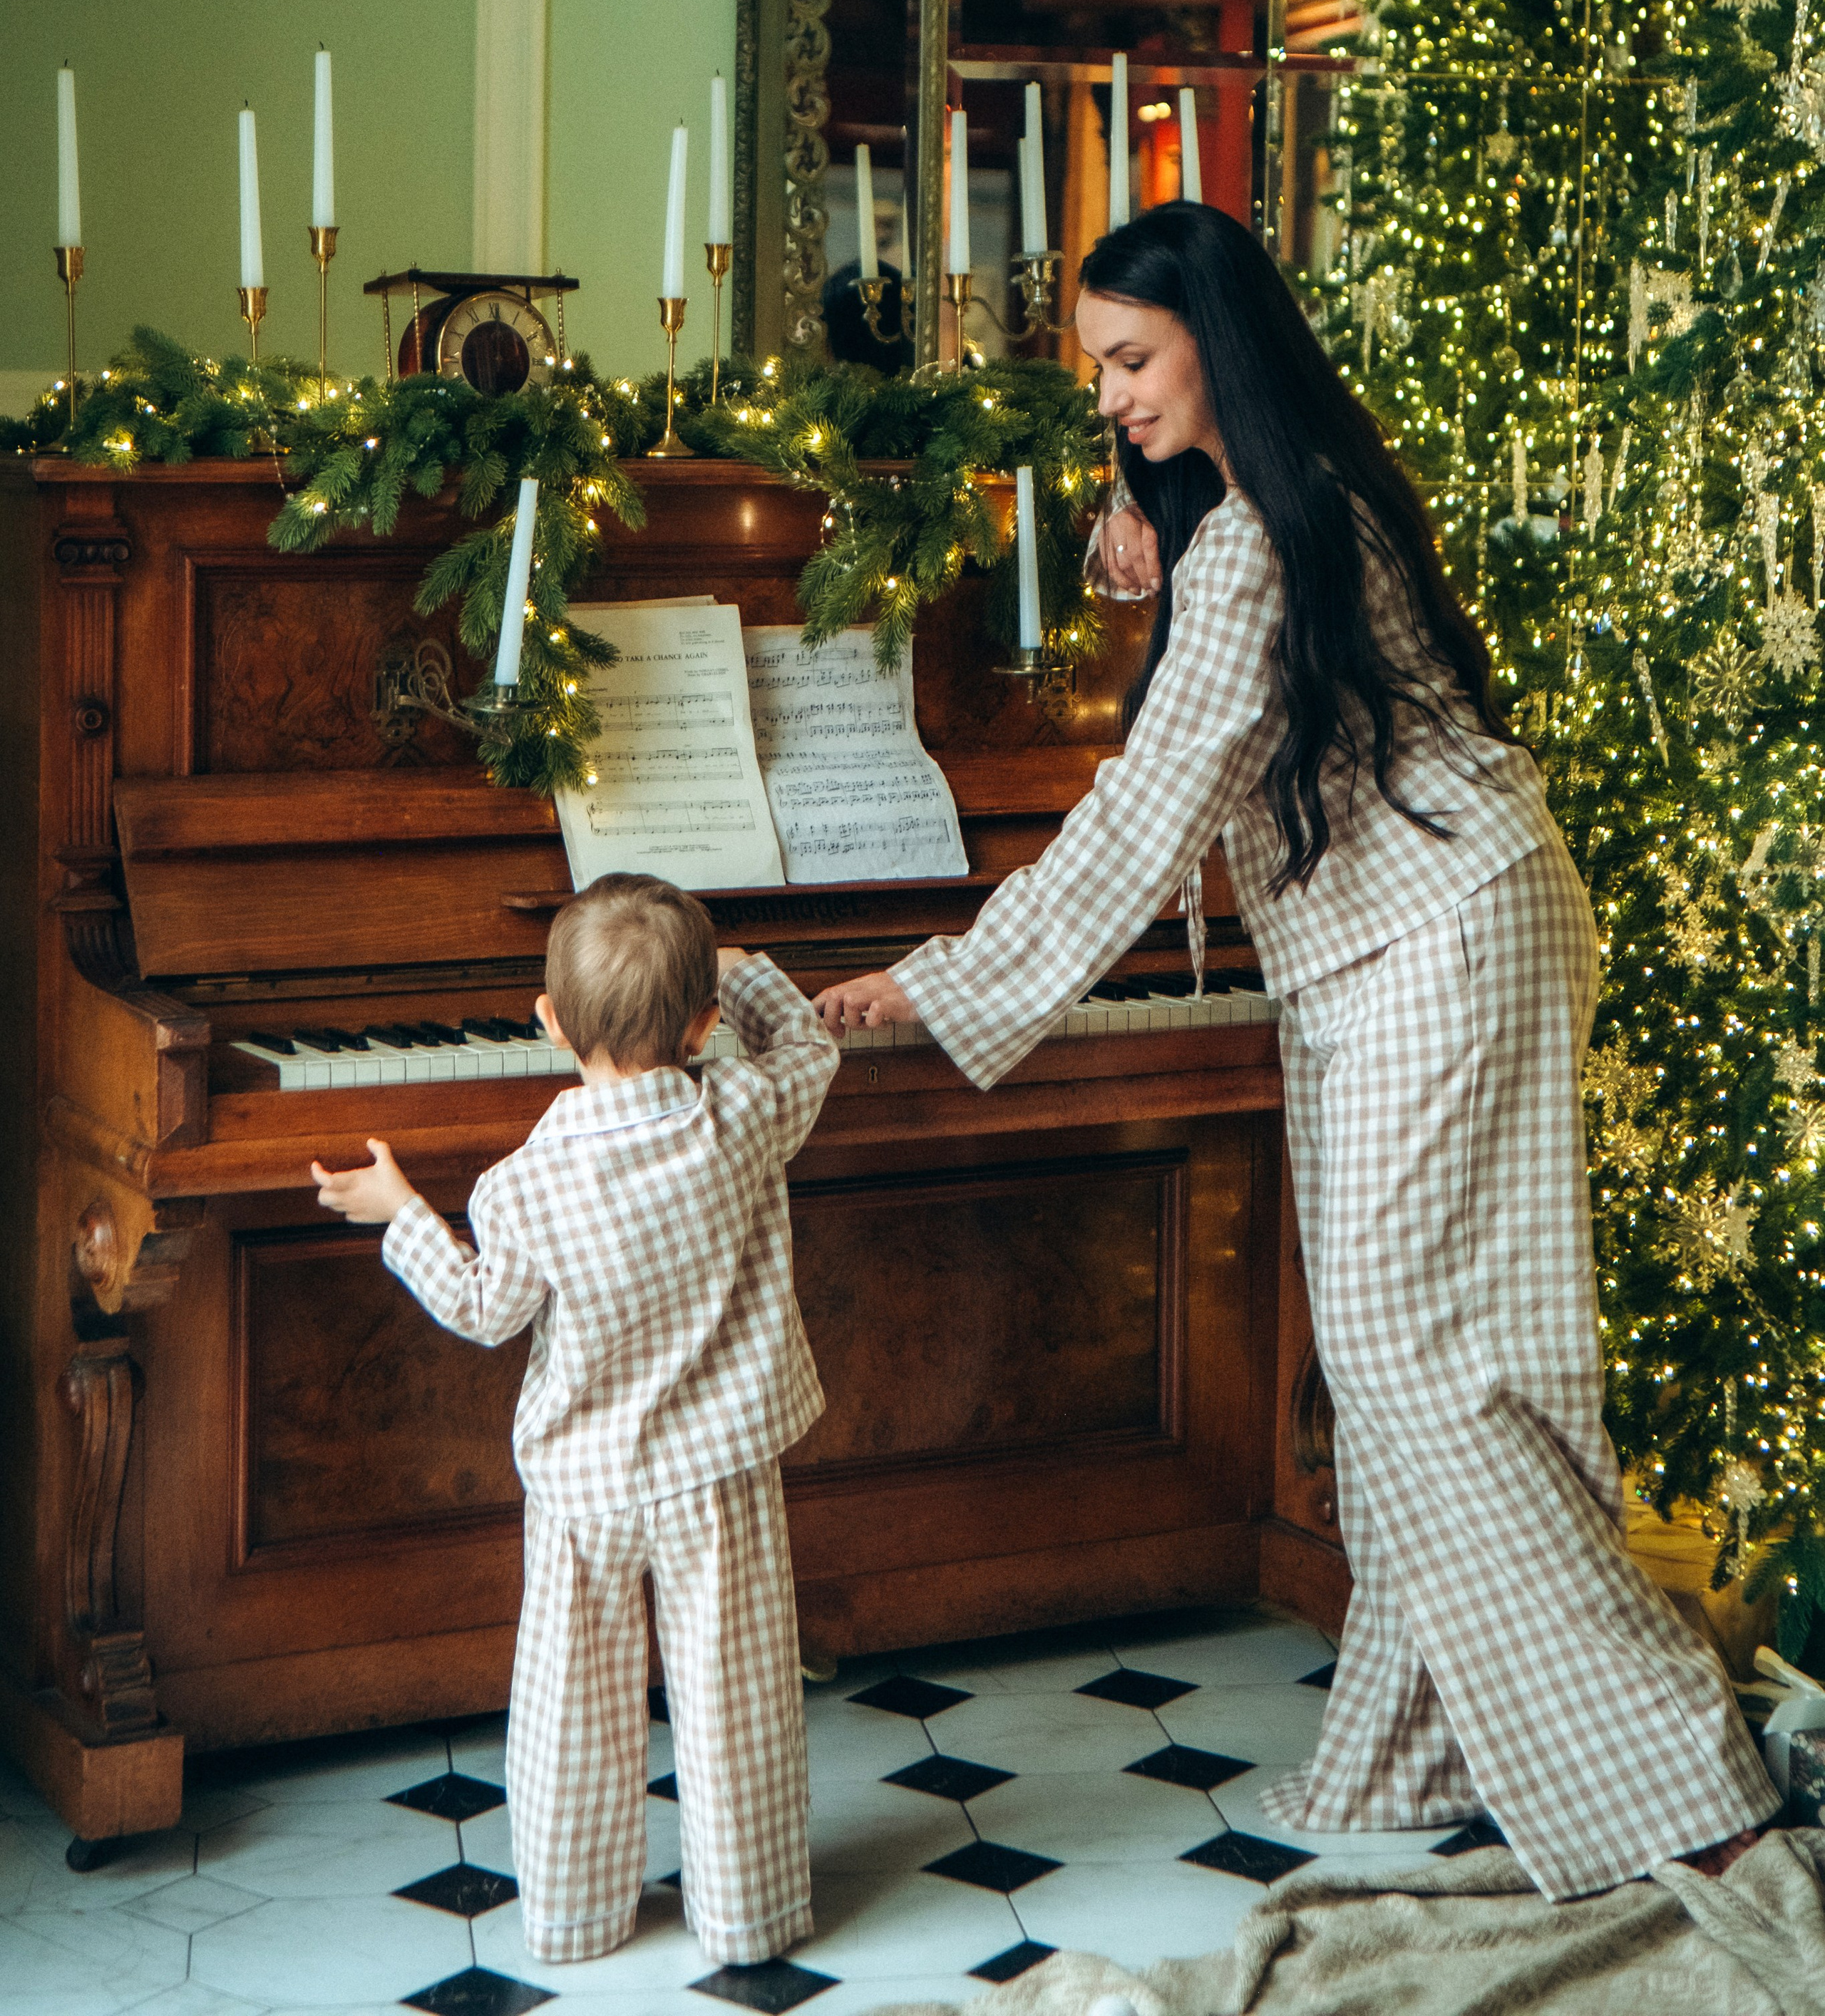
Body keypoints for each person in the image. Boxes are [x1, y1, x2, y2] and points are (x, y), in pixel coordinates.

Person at [816, 200, 1777, 1902]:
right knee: (1414, 1358)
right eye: (1093, 368)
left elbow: (1137, 820)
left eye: (1129, 362)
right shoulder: (1270, 503)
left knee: (1429, 1367)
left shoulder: (1260, 541)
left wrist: (943, 978)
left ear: (1216, 344)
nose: (1104, 396)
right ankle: (1409, 1757)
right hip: (1388, 947)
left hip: (1437, 938)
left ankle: (1673, 1781)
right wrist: (1146, 519)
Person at [312, 875, 840, 1968]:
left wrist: (404, 1213)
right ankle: (746, 1919)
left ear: (548, 1023)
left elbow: (481, 1308)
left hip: (585, 1484)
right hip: (719, 1471)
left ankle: (574, 1916)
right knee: (733, 1695)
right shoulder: (742, 1114)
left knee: (571, 1708)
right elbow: (811, 1052)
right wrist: (747, 978)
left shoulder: (522, 1185)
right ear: (698, 1025)